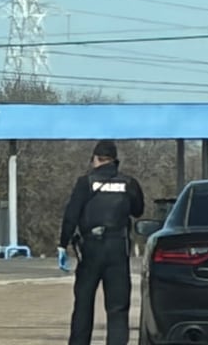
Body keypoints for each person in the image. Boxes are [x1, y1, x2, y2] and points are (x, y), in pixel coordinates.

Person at [58, 139, 145, 345]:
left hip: (91, 249)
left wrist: (63, 244)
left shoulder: (85, 182)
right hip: (117, 249)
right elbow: (138, 210)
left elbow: (71, 215)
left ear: (95, 159)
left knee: (83, 304)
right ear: (115, 160)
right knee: (117, 308)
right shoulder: (129, 183)